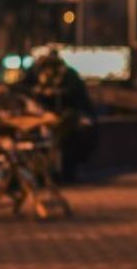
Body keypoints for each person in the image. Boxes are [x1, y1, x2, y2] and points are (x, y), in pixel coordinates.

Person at [17, 49, 97, 181]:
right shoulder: (37, 73)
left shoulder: (69, 75)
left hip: (70, 118)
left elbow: (74, 96)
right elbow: (22, 86)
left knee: (65, 142)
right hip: (47, 116)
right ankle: (45, 172)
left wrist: (53, 93)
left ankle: (61, 172)